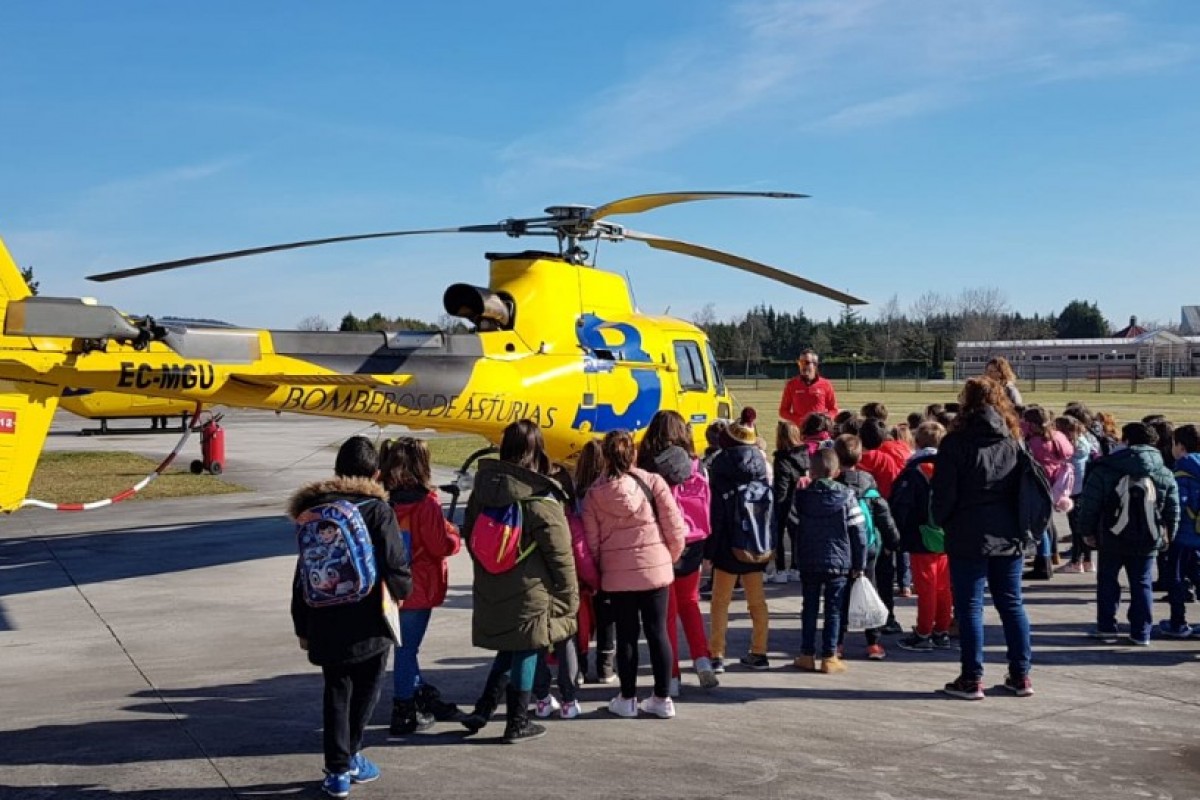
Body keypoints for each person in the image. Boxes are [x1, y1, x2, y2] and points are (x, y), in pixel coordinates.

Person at [289, 436, 412, 797]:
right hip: (369, 617)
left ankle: (337, 772)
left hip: (323, 613)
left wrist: (302, 623)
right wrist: (402, 595)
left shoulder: (313, 511)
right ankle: (353, 755)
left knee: (336, 691)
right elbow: (395, 564)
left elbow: (303, 573)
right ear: (376, 473)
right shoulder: (377, 509)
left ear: (337, 471)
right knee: (368, 688)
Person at [459, 420, 578, 743]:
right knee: (526, 648)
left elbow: (470, 537)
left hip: (491, 584)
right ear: (537, 449)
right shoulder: (540, 499)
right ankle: (517, 721)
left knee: (509, 648)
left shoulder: (482, 493)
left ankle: (484, 709)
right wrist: (570, 599)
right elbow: (560, 556)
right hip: (530, 591)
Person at [930, 377, 1034, 700]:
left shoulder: (955, 442)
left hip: (968, 531)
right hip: (1008, 532)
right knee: (1012, 604)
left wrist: (942, 520)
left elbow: (943, 493)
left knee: (970, 607)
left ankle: (972, 677)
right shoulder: (1013, 440)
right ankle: (1021, 674)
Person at [584, 429, 687, 719]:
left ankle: (627, 697)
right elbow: (674, 526)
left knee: (626, 635)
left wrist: (601, 570)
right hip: (655, 568)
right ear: (634, 453)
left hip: (617, 574)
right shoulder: (653, 482)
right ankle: (662, 697)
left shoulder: (594, 495)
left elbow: (592, 542)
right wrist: (669, 557)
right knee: (658, 633)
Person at [378, 437, 462, 737]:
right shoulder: (426, 503)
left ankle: (416, 690)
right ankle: (404, 706)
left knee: (404, 647)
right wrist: (453, 535)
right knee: (407, 649)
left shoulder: (384, 499)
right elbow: (440, 545)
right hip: (419, 585)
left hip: (390, 585)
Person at [637, 410, 719, 694]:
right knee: (690, 602)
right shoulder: (697, 466)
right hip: (694, 539)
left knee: (665, 613)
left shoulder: (647, 468)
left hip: (661, 541)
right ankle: (702, 659)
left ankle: (671, 676)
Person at [1075, 422, 1179, 646]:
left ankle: (1106, 628)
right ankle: (1141, 632)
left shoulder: (1106, 468)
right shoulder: (1163, 471)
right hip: (1149, 535)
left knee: (1108, 581)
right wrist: (1170, 533)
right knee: (1142, 582)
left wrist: (1086, 532)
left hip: (1112, 534)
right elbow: (1172, 508)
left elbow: (1090, 504)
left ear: (1126, 440)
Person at [788, 449, 866, 674]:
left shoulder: (801, 497)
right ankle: (830, 656)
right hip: (839, 560)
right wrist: (858, 564)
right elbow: (858, 533)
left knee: (809, 607)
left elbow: (793, 525)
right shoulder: (847, 496)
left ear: (810, 472)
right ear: (836, 471)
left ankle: (806, 654)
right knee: (834, 609)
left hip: (809, 558)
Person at [705, 414, 773, 672]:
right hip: (755, 541)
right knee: (757, 601)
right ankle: (759, 650)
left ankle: (717, 653)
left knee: (720, 602)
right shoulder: (761, 466)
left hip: (727, 544)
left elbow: (717, 513)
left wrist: (710, 549)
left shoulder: (721, 467)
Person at [832, 434, 899, 660]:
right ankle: (873, 642)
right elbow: (882, 513)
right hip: (868, 548)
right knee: (869, 591)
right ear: (859, 456)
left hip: (839, 548)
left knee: (839, 595)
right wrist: (893, 541)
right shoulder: (867, 482)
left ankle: (837, 642)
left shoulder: (833, 482)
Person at [892, 421, 954, 653]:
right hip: (946, 533)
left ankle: (924, 632)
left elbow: (901, 506)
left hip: (920, 534)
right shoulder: (949, 468)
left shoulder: (914, 470)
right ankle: (941, 630)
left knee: (926, 586)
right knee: (943, 586)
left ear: (917, 442)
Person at [1021, 406, 1074, 579]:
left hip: (1037, 484)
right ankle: (1049, 556)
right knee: (1047, 521)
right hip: (1054, 482)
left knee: (1039, 524)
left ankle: (1042, 562)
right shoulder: (1058, 437)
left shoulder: (1035, 443)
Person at [1159, 424, 1200, 638]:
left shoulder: (1182, 468)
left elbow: (1179, 503)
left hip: (1183, 534)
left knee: (1175, 577)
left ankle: (1178, 622)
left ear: (1180, 446)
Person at [770, 420, 810, 584]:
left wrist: (777, 503)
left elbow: (782, 485)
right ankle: (795, 567)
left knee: (778, 534)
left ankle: (780, 569)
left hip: (785, 499)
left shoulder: (782, 459)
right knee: (796, 533)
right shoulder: (805, 455)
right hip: (802, 499)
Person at [779, 349, 839, 427]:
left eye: (806, 362)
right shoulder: (791, 384)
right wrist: (799, 420)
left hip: (820, 431)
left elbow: (834, 410)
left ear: (815, 365)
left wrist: (823, 420)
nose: (803, 365)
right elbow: (783, 411)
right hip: (800, 432)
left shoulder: (826, 384)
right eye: (800, 362)